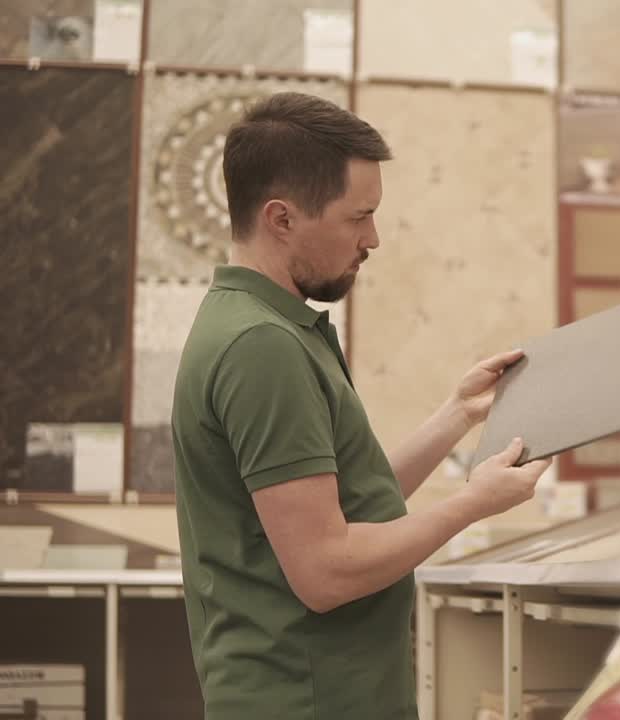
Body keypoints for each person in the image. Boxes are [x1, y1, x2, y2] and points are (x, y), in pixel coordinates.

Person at [170, 91, 552, 719]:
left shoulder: (265, 326)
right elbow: (326, 571)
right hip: (307, 700)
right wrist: (472, 504)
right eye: (357, 217)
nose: (372, 238)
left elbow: (347, 504)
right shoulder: (262, 347)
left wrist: (456, 415)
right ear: (282, 218)